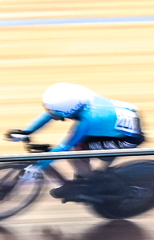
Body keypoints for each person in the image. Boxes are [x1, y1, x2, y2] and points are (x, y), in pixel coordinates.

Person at [8, 83, 145, 196]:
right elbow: (51, 115)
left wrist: (39, 167)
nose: (50, 113)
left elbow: (65, 147)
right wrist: (27, 131)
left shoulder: (88, 119)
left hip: (127, 137)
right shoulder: (81, 101)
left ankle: (93, 182)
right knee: (79, 148)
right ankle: (85, 176)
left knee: (75, 153)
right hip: (116, 123)